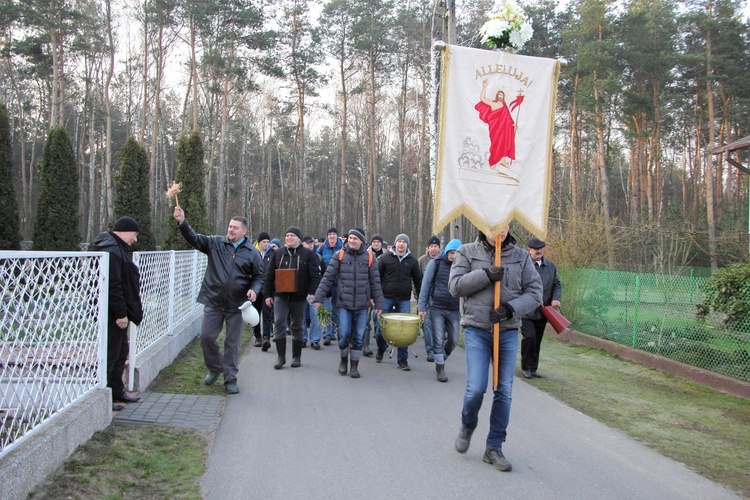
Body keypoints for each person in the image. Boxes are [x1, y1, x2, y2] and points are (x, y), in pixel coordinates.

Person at [449, 227, 542, 472]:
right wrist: (486, 275)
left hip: (508, 330)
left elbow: (535, 293)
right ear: (483, 226)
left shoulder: (521, 257)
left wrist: (510, 309)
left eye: (504, 225)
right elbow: (455, 287)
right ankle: (467, 426)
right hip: (477, 329)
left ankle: (494, 447)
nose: (499, 230)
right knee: (476, 387)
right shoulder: (466, 252)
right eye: (493, 225)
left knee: (504, 390)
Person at [174, 206, 264, 395]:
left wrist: (254, 290)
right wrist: (182, 222)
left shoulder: (252, 253)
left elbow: (259, 277)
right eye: (230, 226)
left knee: (232, 344)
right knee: (206, 337)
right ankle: (215, 367)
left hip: (237, 305)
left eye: (235, 227)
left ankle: (230, 379)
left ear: (244, 231)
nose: (231, 230)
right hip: (213, 301)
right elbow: (194, 238)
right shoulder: (215, 243)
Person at [89, 216, 144, 411]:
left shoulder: (115, 248)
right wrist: (121, 314)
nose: (135, 240)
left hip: (115, 313)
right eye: (134, 235)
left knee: (121, 353)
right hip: (112, 314)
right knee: (111, 355)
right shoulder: (111, 251)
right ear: (123, 230)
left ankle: (117, 391)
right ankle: (106, 396)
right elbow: (113, 287)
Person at [314, 228, 384, 378]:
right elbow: (327, 278)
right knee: (344, 334)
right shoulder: (339, 255)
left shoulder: (370, 258)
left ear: (361, 241)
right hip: (343, 303)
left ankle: (354, 365)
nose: (352, 241)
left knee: (359, 336)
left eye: (355, 239)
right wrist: (319, 297)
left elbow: (375, 282)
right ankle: (343, 359)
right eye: (350, 238)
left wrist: (379, 303)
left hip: (362, 304)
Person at [264, 227, 321, 369]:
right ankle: (281, 357)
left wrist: (313, 292)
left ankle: (296, 357)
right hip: (280, 296)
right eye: (287, 235)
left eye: (292, 236)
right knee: (279, 323)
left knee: (297, 325)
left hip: (299, 297)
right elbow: (269, 276)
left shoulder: (308, 254)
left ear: (299, 238)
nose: (289, 238)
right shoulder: (278, 254)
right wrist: (267, 295)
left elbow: (315, 276)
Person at [374, 233, 422, 371]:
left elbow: (418, 281)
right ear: (395, 243)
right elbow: (376, 279)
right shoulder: (384, 258)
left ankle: (402, 360)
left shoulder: (412, 261)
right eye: (399, 241)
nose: (401, 244)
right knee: (380, 328)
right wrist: (375, 297)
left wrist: (420, 300)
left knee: (404, 331)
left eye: (404, 242)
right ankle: (381, 348)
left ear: (407, 244)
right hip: (385, 298)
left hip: (403, 300)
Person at [418, 238, 461, 382]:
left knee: (454, 339)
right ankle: (440, 367)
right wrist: (422, 306)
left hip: (455, 308)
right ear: (447, 251)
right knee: (438, 338)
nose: (453, 256)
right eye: (451, 252)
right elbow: (425, 285)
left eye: (456, 253)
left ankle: (442, 356)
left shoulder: (463, 266)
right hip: (437, 307)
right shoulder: (435, 263)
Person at [521, 237, 562, 379]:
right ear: (529, 250)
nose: (539, 251)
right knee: (529, 337)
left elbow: (557, 284)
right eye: (535, 248)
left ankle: (533, 368)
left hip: (544, 312)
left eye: (541, 248)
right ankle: (525, 367)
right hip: (527, 310)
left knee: (537, 339)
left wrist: (556, 299)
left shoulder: (550, 266)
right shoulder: (524, 265)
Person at [475, 80, 523, 171]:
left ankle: (503, 160)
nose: (500, 96)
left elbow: (508, 118)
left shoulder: (505, 107)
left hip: (504, 129)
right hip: (495, 129)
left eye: (502, 95)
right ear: (497, 96)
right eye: (499, 95)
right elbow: (482, 98)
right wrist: (484, 87)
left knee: (505, 142)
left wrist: (513, 124)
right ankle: (493, 161)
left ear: (503, 97)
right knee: (496, 144)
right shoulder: (492, 104)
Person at [316, 227, 343, 345]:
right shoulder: (321, 249)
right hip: (327, 283)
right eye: (330, 234)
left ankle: (335, 332)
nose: (332, 236)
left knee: (337, 310)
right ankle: (327, 334)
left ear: (337, 236)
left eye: (334, 234)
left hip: (340, 284)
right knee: (327, 310)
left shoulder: (343, 248)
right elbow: (317, 264)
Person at [418, 235, 442, 362]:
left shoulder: (444, 261)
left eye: (435, 246)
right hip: (425, 298)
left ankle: (439, 347)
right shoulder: (422, 261)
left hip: (439, 298)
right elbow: (416, 280)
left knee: (438, 326)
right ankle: (430, 351)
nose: (433, 249)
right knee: (427, 325)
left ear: (439, 248)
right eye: (431, 246)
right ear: (427, 248)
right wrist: (418, 298)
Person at [363, 234, 385, 357]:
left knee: (379, 318)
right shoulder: (365, 255)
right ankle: (365, 346)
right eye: (374, 241)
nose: (376, 244)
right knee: (366, 318)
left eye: (378, 241)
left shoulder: (386, 256)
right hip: (366, 290)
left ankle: (380, 343)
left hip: (380, 290)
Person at [302, 235, 323, 349]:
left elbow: (322, 275)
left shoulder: (317, 257)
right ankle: (302, 338)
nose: (310, 245)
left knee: (315, 317)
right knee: (301, 317)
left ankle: (315, 340)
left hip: (314, 292)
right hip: (301, 291)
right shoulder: (298, 256)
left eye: (311, 243)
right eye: (307, 243)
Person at [252, 231, 272, 348]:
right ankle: (257, 336)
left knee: (267, 313)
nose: (266, 244)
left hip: (267, 289)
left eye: (267, 242)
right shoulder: (253, 253)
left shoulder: (272, 254)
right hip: (255, 289)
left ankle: (266, 337)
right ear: (259, 242)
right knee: (255, 314)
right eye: (264, 242)